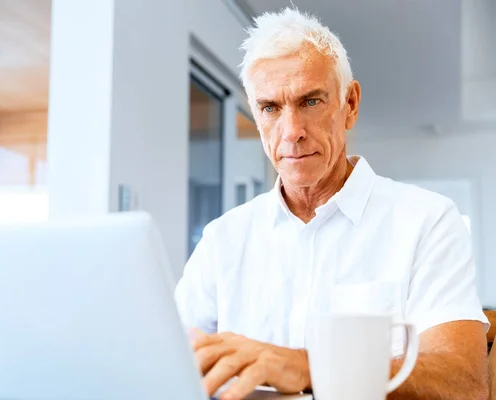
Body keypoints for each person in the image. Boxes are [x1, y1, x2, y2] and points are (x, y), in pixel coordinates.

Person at [175, 7, 490, 400]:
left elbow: (465, 383)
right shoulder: (223, 239)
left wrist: (307, 367)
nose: (291, 133)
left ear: (350, 105)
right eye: (270, 108)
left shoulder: (427, 221)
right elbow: (168, 362)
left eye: (310, 102)